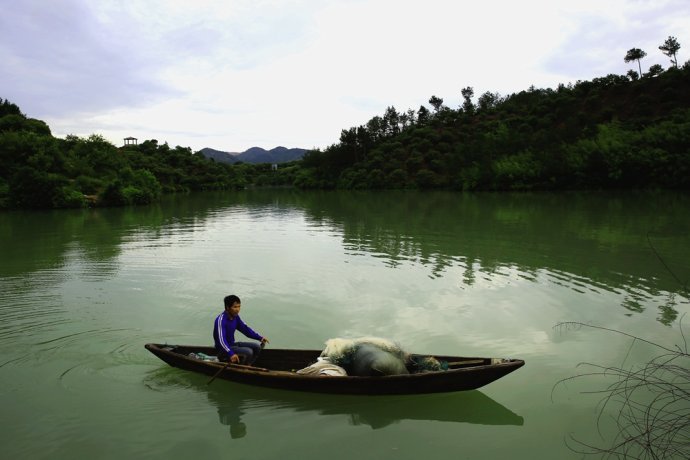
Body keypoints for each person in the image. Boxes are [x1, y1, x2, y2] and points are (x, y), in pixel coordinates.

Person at [213, 294, 269, 365]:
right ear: (227, 307)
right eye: (235, 307)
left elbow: (245, 329)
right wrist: (230, 353)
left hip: (232, 344)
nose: (238, 309)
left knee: (257, 347)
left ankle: (249, 365)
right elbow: (221, 340)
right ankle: (242, 368)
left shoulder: (235, 317)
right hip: (222, 349)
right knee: (249, 352)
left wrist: (260, 337)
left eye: (239, 306)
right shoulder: (220, 320)